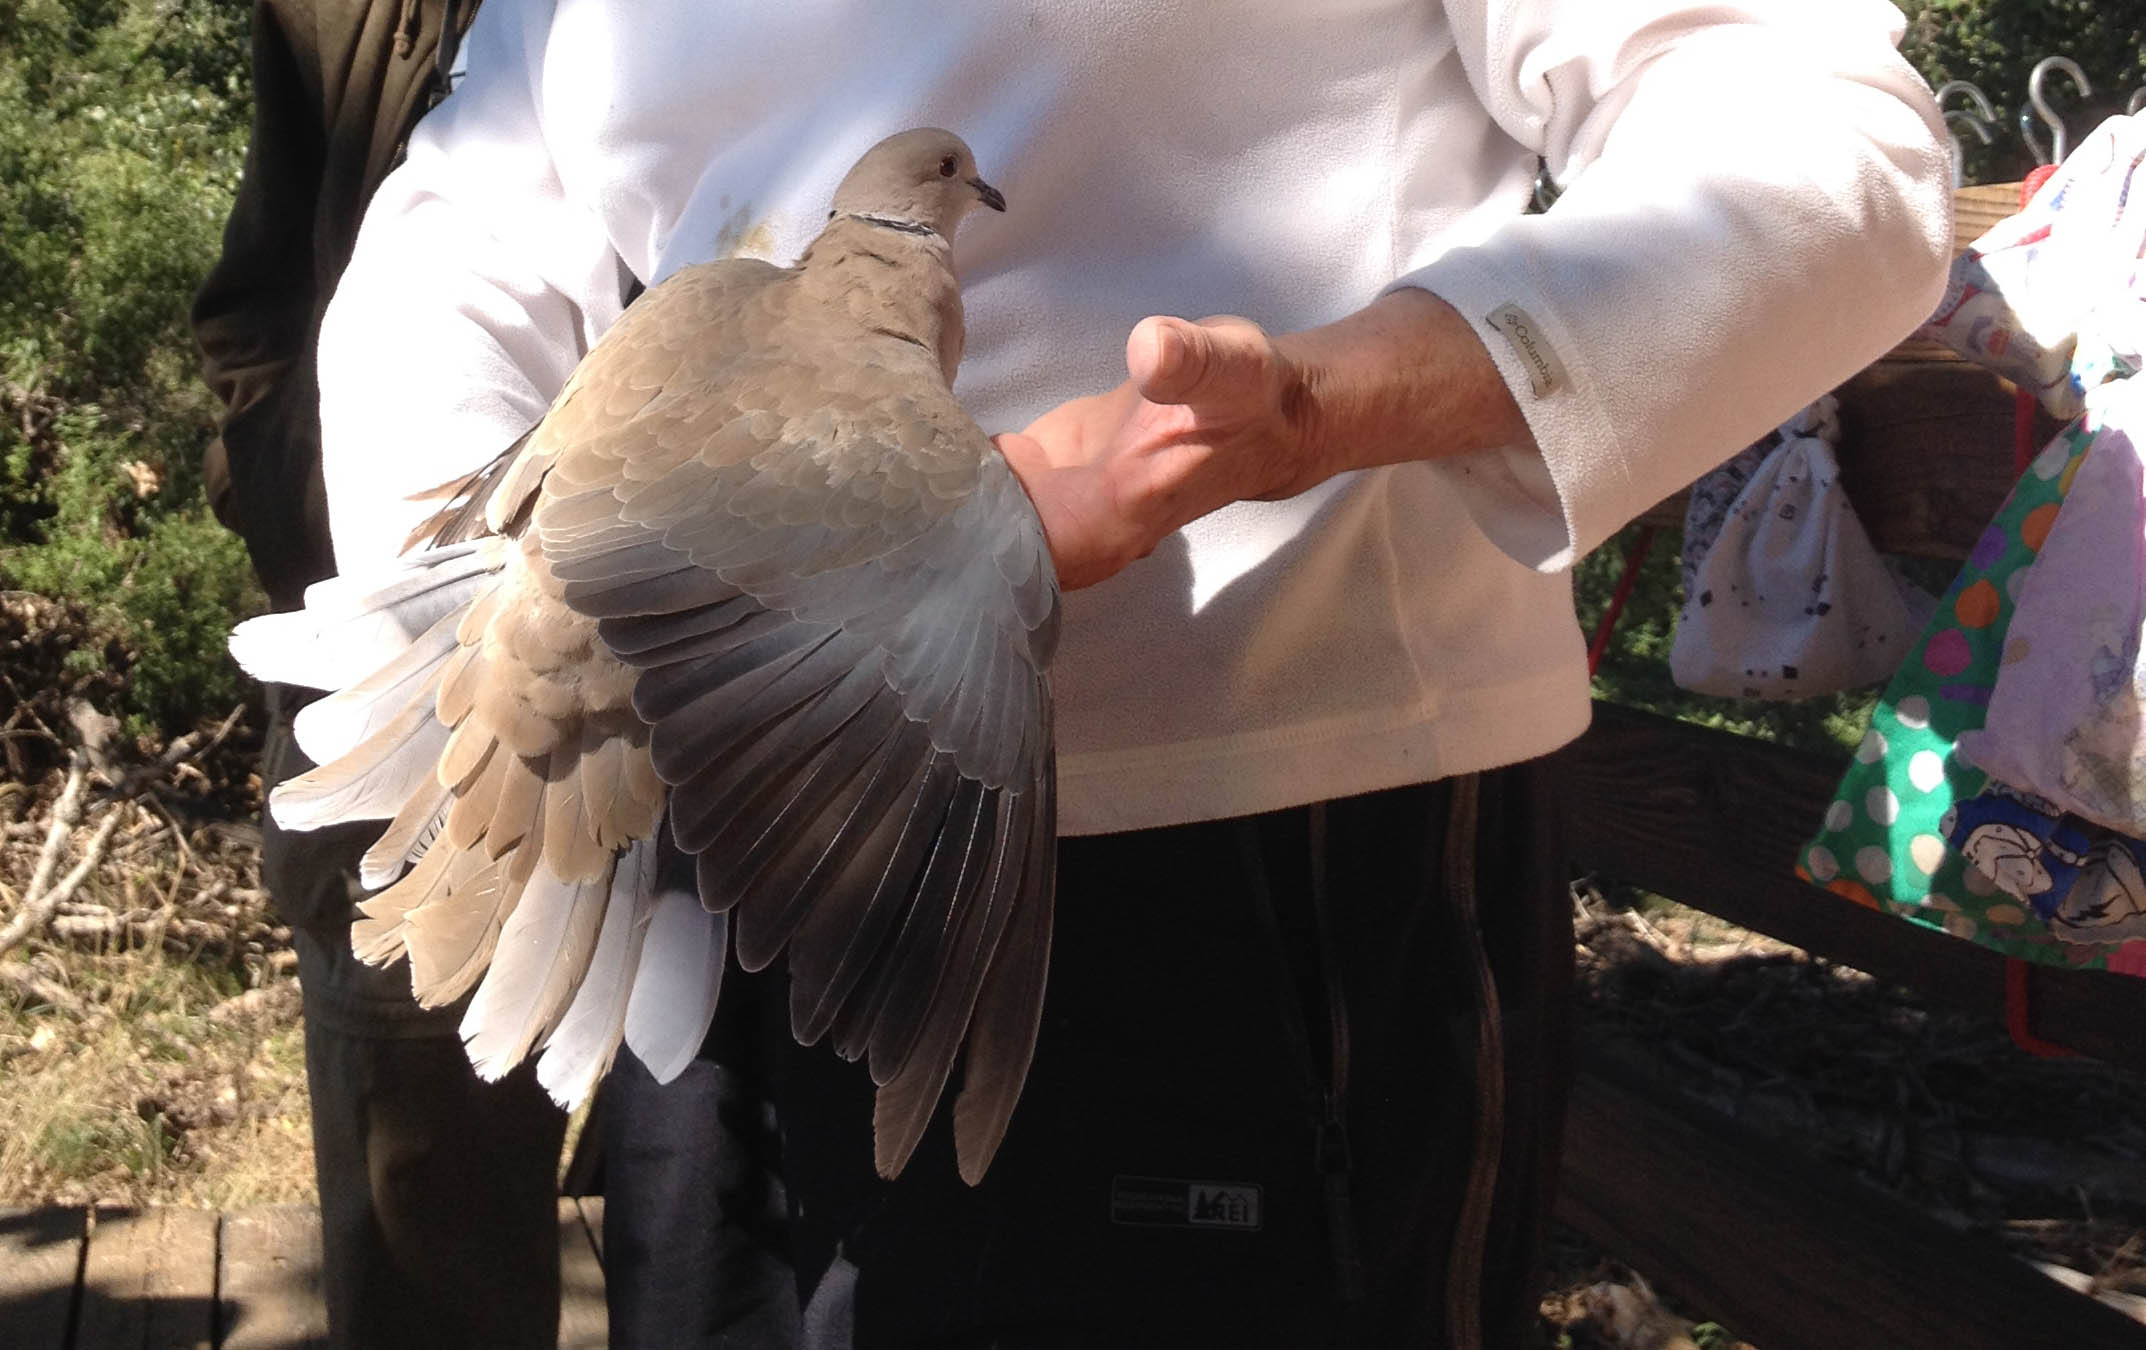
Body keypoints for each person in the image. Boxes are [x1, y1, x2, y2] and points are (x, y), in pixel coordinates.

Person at [313, 2, 1954, 1344]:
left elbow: (1822, 142)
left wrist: (1328, 402)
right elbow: (470, 234)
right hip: (693, 842)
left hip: (1236, 850)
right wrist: (486, 634)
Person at [188, 4, 573, 1347]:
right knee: (422, 1174)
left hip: (720, 657)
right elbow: (254, 302)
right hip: (398, 670)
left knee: (719, 1174)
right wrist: (326, 547)